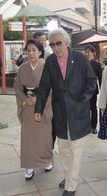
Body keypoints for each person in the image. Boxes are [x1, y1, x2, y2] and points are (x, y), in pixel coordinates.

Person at [34, 29, 96, 196]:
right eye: (52, 44)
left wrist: (83, 100)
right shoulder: (51, 61)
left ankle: (71, 186)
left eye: (58, 43)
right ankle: (70, 176)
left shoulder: (80, 58)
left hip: (78, 111)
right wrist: (38, 108)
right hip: (60, 113)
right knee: (63, 149)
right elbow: (45, 86)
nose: (55, 47)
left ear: (67, 43)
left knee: (75, 149)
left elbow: (92, 82)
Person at [14, 39, 53, 180]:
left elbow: (52, 88)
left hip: (43, 106)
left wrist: (39, 99)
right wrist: (25, 100)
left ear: (40, 52)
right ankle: (29, 165)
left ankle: (47, 160)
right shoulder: (22, 68)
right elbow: (18, 88)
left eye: (34, 50)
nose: (31, 53)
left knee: (44, 137)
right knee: (28, 139)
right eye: (28, 50)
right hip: (28, 107)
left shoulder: (47, 66)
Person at [84, 45, 102, 134]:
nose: (86, 54)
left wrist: (102, 89)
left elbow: (100, 78)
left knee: (93, 108)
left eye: (88, 52)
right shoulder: (82, 63)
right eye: (85, 52)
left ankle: (93, 127)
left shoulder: (97, 64)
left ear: (93, 53)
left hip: (93, 90)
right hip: (83, 90)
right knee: (85, 108)